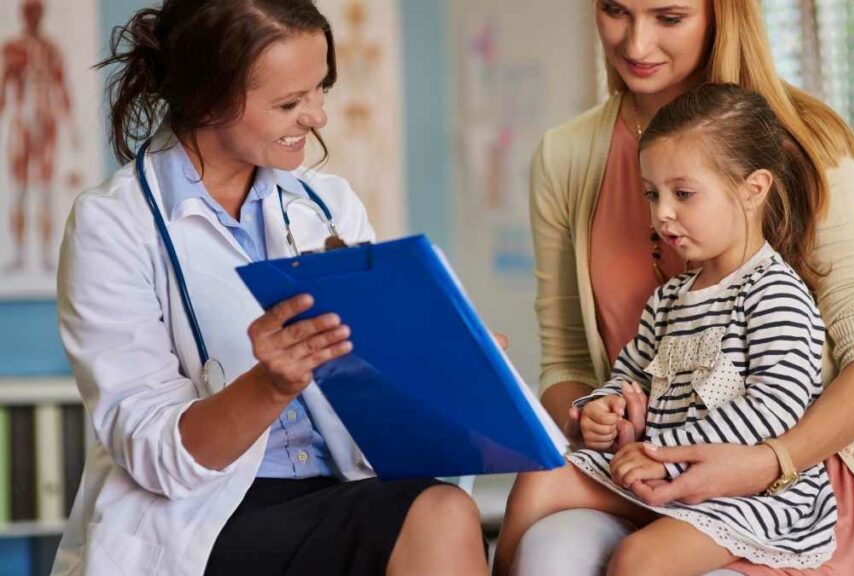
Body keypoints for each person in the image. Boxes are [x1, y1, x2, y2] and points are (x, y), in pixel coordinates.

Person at [52, 1, 488, 575]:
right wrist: (271, 384)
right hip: (202, 514)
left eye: (320, 89)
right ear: (209, 98)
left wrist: (448, 371)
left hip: (339, 484)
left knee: (444, 510)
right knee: (439, 516)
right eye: (290, 103)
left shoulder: (330, 205)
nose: (318, 117)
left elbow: (374, 391)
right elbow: (152, 454)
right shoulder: (113, 224)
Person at [513, 0, 854, 574]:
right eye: (615, 11)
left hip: (794, 479)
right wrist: (602, 416)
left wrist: (767, 461)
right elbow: (568, 362)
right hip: (644, 463)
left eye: (668, 17)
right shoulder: (565, 158)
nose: (636, 45)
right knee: (540, 513)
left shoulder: (803, 143)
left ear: (721, 14)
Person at [495, 83, 837, 576]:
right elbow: (629, 375)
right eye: (653, 194)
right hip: (660, 473)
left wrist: (666, 456)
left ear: (753, 189)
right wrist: (601, 411)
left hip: (749, 495)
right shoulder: (670, 298)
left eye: (683, 194)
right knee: (540, 480)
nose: (661, 214)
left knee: (639, 559)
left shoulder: (774, 293)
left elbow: (774, 409)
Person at [0, 0, 74, 271]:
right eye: (29, 13)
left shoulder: (52, 50)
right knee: (19, 189)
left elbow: (62, 89)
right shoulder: (12, 49)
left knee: (45, 189)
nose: (34, 18)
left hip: (46, 125)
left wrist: (72, 128)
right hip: (21, 125)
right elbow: (3, 88)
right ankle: (19, 253)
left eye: (37, 13)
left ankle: (45, 253)